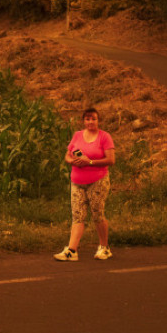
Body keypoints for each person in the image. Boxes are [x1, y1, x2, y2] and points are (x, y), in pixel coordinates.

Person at [54, 107, 115, 262]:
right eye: (87, 119)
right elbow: (68, 154)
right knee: (78, 216)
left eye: (93, 118)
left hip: (97, 181)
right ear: (83, 121)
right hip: (77, 181)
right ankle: (71, 251)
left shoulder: (104, 137)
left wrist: (90, 162)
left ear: (98, 120)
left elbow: (111, 160)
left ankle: (104, 247)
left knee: (97, 214)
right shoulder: (77, 135)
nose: (90, 122)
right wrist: (72, 160)